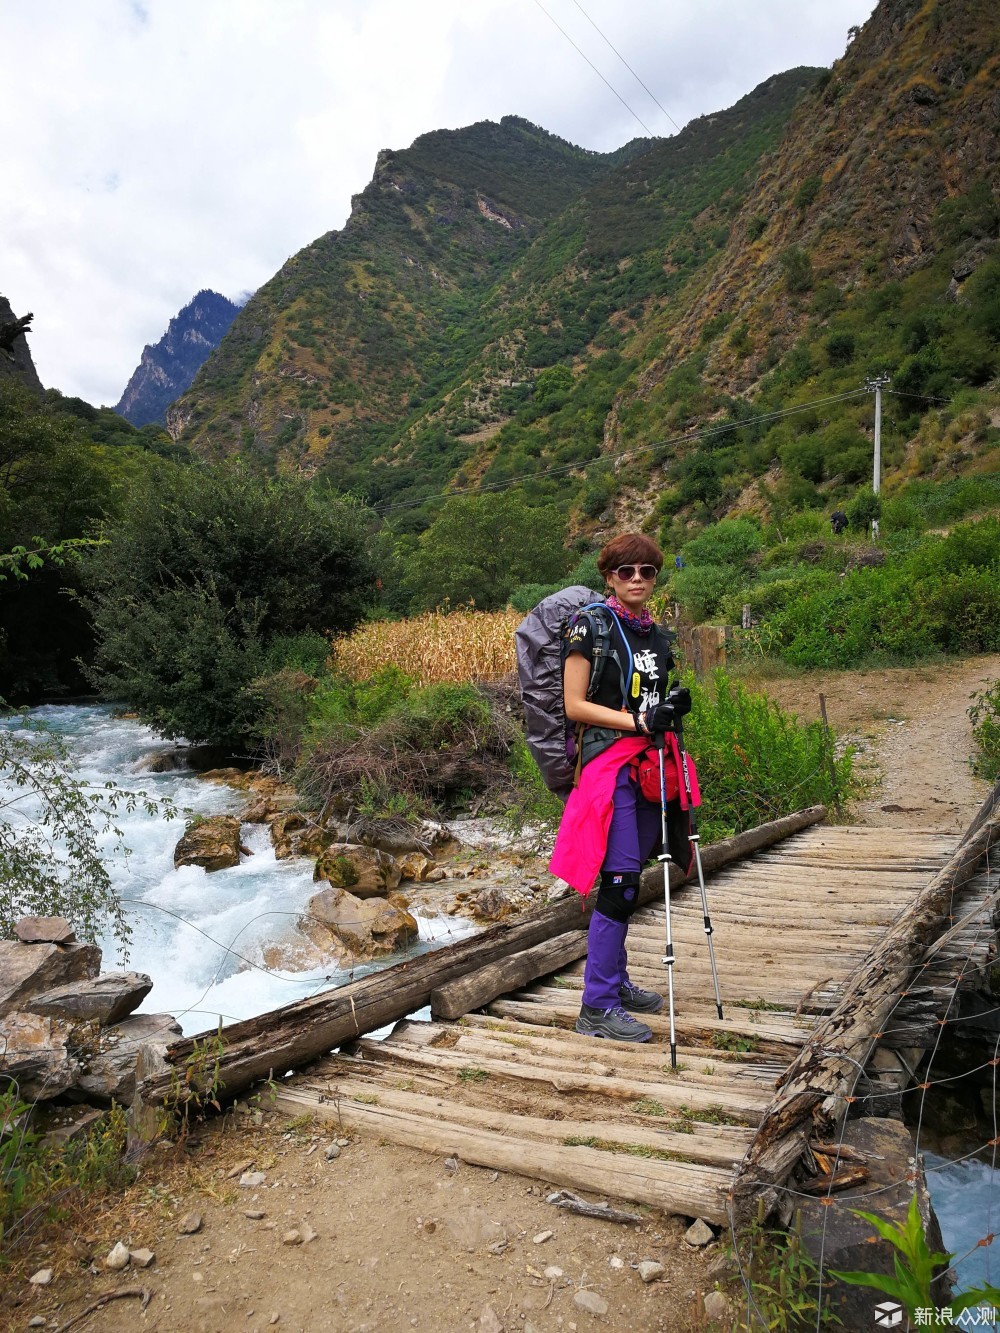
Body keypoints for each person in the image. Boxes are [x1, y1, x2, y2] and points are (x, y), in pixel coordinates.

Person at [548, 533, 691, 1043]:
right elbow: (574, 705)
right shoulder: (590, 626)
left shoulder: (656, 633)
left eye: (647, 572)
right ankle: (597, 1005)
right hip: (609, 765)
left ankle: (615, 979)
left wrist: (670, 707)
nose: (637, 579)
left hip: (653, 764)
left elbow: (651, 700)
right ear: (609, 576)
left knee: (638, 867)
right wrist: (640, 719)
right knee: (620, 879)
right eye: (626, 571)